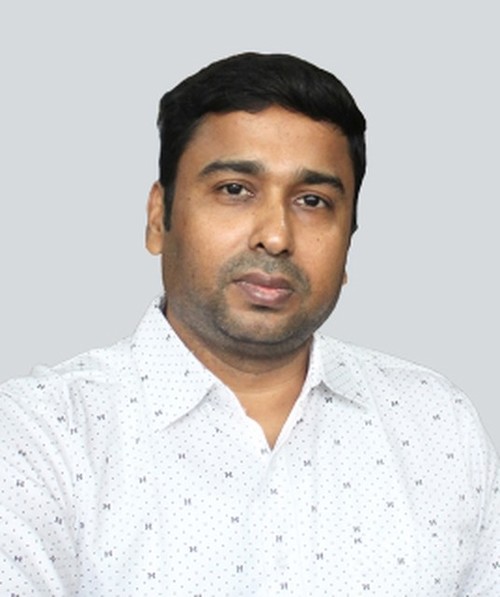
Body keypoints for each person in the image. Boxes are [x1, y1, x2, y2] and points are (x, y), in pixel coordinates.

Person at [0, 53, 498, 596]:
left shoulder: (437, 427)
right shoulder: (42, 435)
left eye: (313, 201)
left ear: (349, 243)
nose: (276, 236)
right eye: (235, 189)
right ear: (158, 218)